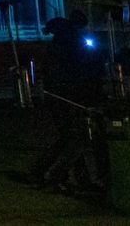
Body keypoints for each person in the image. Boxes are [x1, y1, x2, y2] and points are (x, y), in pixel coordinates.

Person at [28, 15, 104, 195]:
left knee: (69, 138)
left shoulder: (57, 44)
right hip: (70, 98)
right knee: (76, 139)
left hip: (59, 98)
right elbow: (83, 71)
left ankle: (43, 170)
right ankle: (55, 174)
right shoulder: (72, 42)